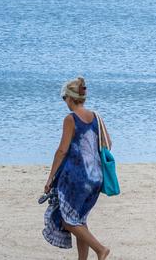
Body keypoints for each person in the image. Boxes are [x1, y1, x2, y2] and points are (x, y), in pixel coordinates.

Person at [43, 76, 111, 260]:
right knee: (80, 220)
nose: (64, 102)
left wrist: (50, 178)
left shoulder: (70, 119)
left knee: (68, 220)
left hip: (77, 178)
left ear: (70, 98)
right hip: (96, 178)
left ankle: (100, 249)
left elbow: (62, 150)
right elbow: (108, 144)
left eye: (64, 98)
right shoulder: (96, 117)